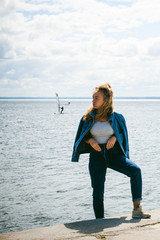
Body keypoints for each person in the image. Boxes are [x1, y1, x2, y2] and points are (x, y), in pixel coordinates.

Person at [71, 83, 151, 219]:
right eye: (93, 97)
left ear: (105, 100)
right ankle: (99, 220)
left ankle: (137, 210)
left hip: (113, 154)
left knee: (135, 171)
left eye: (97, 98)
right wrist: (90, 141)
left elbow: (122, 133)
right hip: (96, 156)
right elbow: (81, 136)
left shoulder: (117, 117)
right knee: (98, 191)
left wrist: (114, 137)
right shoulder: (87, 118)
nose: (93, 100)